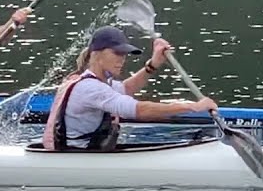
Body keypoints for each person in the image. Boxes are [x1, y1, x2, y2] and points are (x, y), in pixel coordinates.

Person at [43, 26, 218, 151]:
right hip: (75, 161)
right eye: (117, 53)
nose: (122, 59)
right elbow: (138, 110)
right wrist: (191, 107)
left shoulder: (98, 83)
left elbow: (126, 88)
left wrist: (153, 65)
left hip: (84, 155)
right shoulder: (90, 88)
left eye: (124, 54)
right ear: (96, 54)